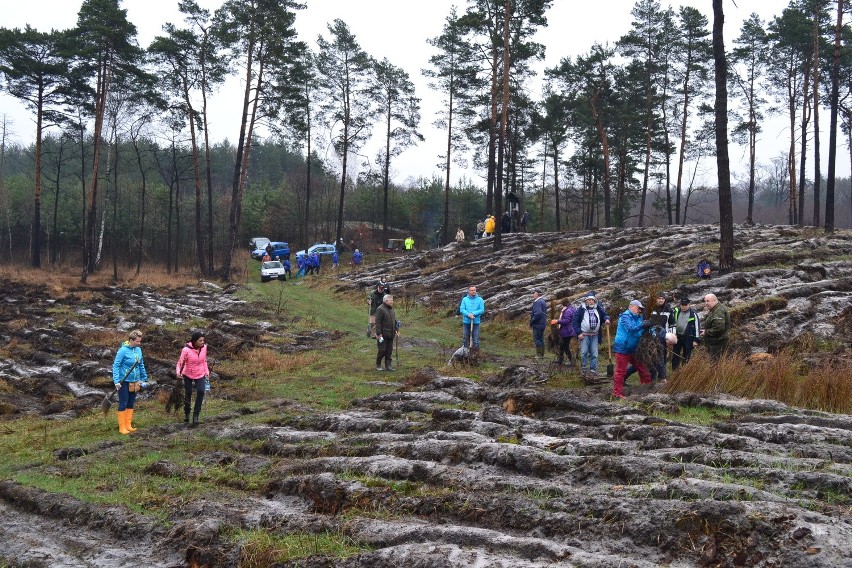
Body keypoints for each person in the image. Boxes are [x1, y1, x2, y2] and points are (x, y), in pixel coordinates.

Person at [612, 300, 653, 398]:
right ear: (631, 307)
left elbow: (640, 331)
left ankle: (647, 388)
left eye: (641, 309)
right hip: (623, 347)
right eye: (639, 308)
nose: (640, 311)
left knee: (643, 368)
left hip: (634, 347)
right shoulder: (625, 317)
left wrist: (647, 328)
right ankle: (617, 393)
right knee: (620, 371)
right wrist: (642, 325)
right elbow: (630, 329)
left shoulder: (640, 318)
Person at [112, 329, 148, 435]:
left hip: (135, 381)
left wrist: (144, 378)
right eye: (137, 341)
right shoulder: (122, 351)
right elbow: (116, 365)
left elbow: (141, 365)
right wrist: (116, 381)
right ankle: (122, 427)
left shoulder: (138, 350)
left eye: (140, 341)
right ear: (131, 340)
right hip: (124, 382)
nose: (139, 343)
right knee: (123, 402)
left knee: (131, 403)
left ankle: (128, 425)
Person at [572, 291, 611, 378]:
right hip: (584, 335)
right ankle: (584, 369)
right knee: (584, 352)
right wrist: (578, 332)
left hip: (595, 335)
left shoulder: (598, 308)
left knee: (594, 353)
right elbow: (575, 321)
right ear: (586, 301)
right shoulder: (581, 309)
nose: (590, 301)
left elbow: (605, 315)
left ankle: (593, 370)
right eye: (589, 300)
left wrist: (607, 319)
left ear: (594, 301)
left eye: (592, 300)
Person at [176, 331, 210, 427]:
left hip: (200, 373)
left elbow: (204, 361)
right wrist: (178, 372)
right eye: (200, 341)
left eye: (203, 340)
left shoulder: (204, 348)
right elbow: (180, 362)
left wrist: (206, 372)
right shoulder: (186, 350)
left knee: (201, 391)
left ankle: (196, 415)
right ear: (195, 341)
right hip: (188, 374)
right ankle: (187, 412)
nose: (202, 342)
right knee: (188, 393)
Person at [671, 297, 701, 370]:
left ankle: (685, 372)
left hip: (688, 337)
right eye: (682, 305)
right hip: (677, 337)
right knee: (675, 355)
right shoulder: (676, 312)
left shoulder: (693, 314)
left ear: (689, 305)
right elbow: (672, 324)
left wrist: (696, 340)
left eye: (686, 305)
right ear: (680, 305)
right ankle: (675, 371)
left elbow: (697, 327)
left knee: (686, 355)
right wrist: (672, 335)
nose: (684, 307)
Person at [700, 293, 730, 359]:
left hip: (718, 343)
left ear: (714, 300)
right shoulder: (714, 309)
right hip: (714, 343)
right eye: (705, 301)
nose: (706, 303)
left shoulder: (719, 311)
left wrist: (706, 332)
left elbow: (718, 328)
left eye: (708, 301)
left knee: (716, 364)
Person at [374, 294, 398, 371]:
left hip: (391, 334)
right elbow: (377, 322)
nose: (392, 302)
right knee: (382, 350)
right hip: (382, 334)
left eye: (392, 300)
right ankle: (378, 364)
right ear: (386, 300)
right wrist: (378, 333)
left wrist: (397, 330)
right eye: (391, 300)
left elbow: (394, 321)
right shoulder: (380, 309)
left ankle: (388, 365)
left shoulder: (391, 309)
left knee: (389, 351)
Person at [459, 285, 485, 354]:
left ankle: (476, 354)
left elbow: (482, 310)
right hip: (466, 322)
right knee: (465, 338)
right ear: (468, 291)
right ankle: (465, 353)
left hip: (476, 322)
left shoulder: (480, 300)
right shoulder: (464, 299)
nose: (474, 291)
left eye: (474, 290)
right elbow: (461, 309)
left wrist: (473, 313)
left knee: (475, 339)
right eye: (472, 290)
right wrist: (468, 314)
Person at [551, 300, 577, 366]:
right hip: (569, 331)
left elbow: (566, 321)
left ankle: (572, 361)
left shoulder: (568, 311)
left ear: (564, 305)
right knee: (562, 346)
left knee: (565, 347)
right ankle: (560, 361)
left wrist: (557, 321)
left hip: (567, 331)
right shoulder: (571, 309)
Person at [530, 289, 548, 359]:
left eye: (534, 293)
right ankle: (542, 355)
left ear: (537, 294)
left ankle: (539, 355)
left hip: (538, 324)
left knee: (537, 339)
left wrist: (532, 321)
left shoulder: (537, 302)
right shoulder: (542, 301)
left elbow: (537, 314)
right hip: (542, 324)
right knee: (541, 339)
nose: (533, 295)